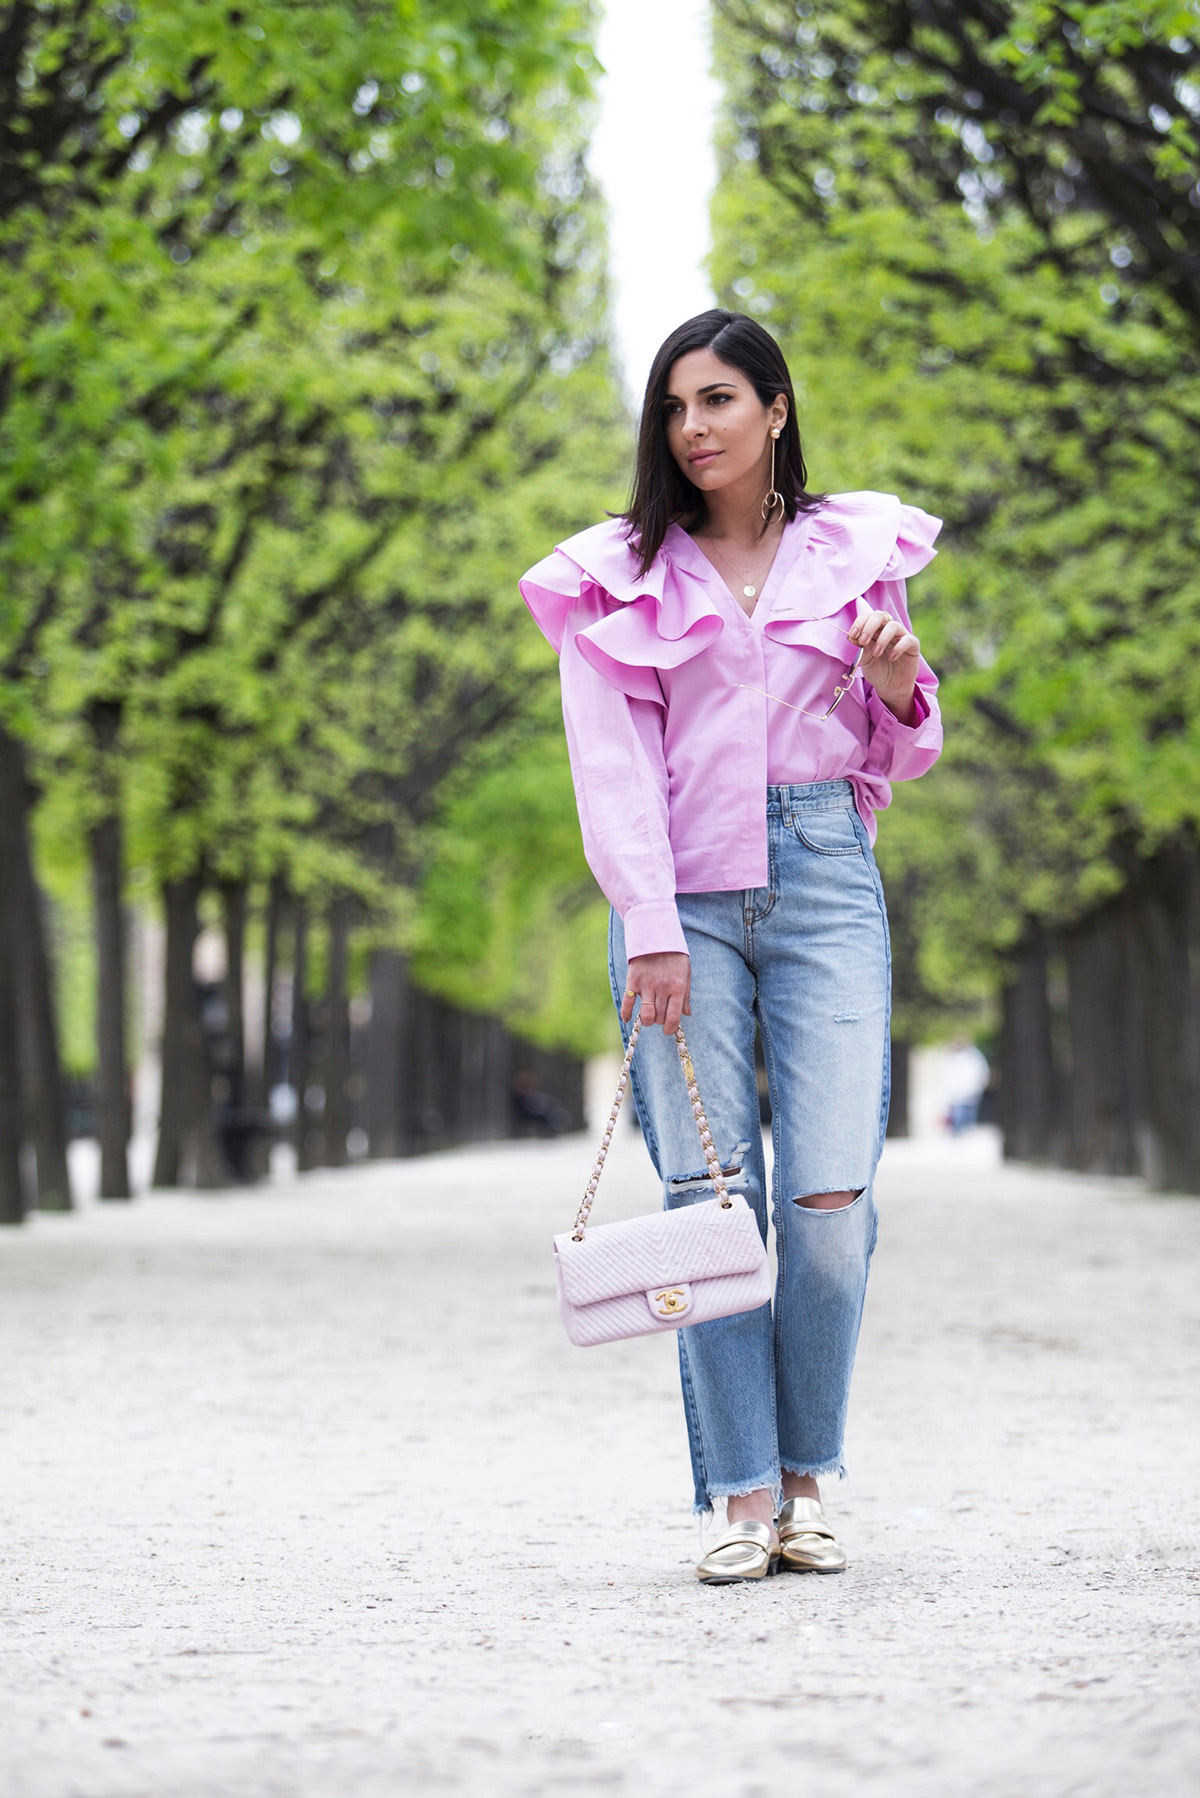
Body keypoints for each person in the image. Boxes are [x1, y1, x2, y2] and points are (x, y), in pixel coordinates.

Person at [519, 311, 943, 1584]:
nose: (693, 428)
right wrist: (649, 926)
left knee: (827, 1201)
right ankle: (744, 1499)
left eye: (716, 401)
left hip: (824, 877)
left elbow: (900, 745)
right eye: (673, 408)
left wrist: (898, 674)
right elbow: (611, 767)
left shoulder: (858, 552)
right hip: (682, 895)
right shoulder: (619, 573)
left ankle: (815, 1476)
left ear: (776, 407)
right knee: (710, 1202)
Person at [943, 1036, 991, 1134]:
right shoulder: (952, 1057)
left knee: (969, 1116)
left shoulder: (974, 1056)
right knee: (959, 1115)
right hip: (958, 1091)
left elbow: (982, 1072)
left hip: (970, 1089)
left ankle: (965, 1135)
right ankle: (959, 1135)